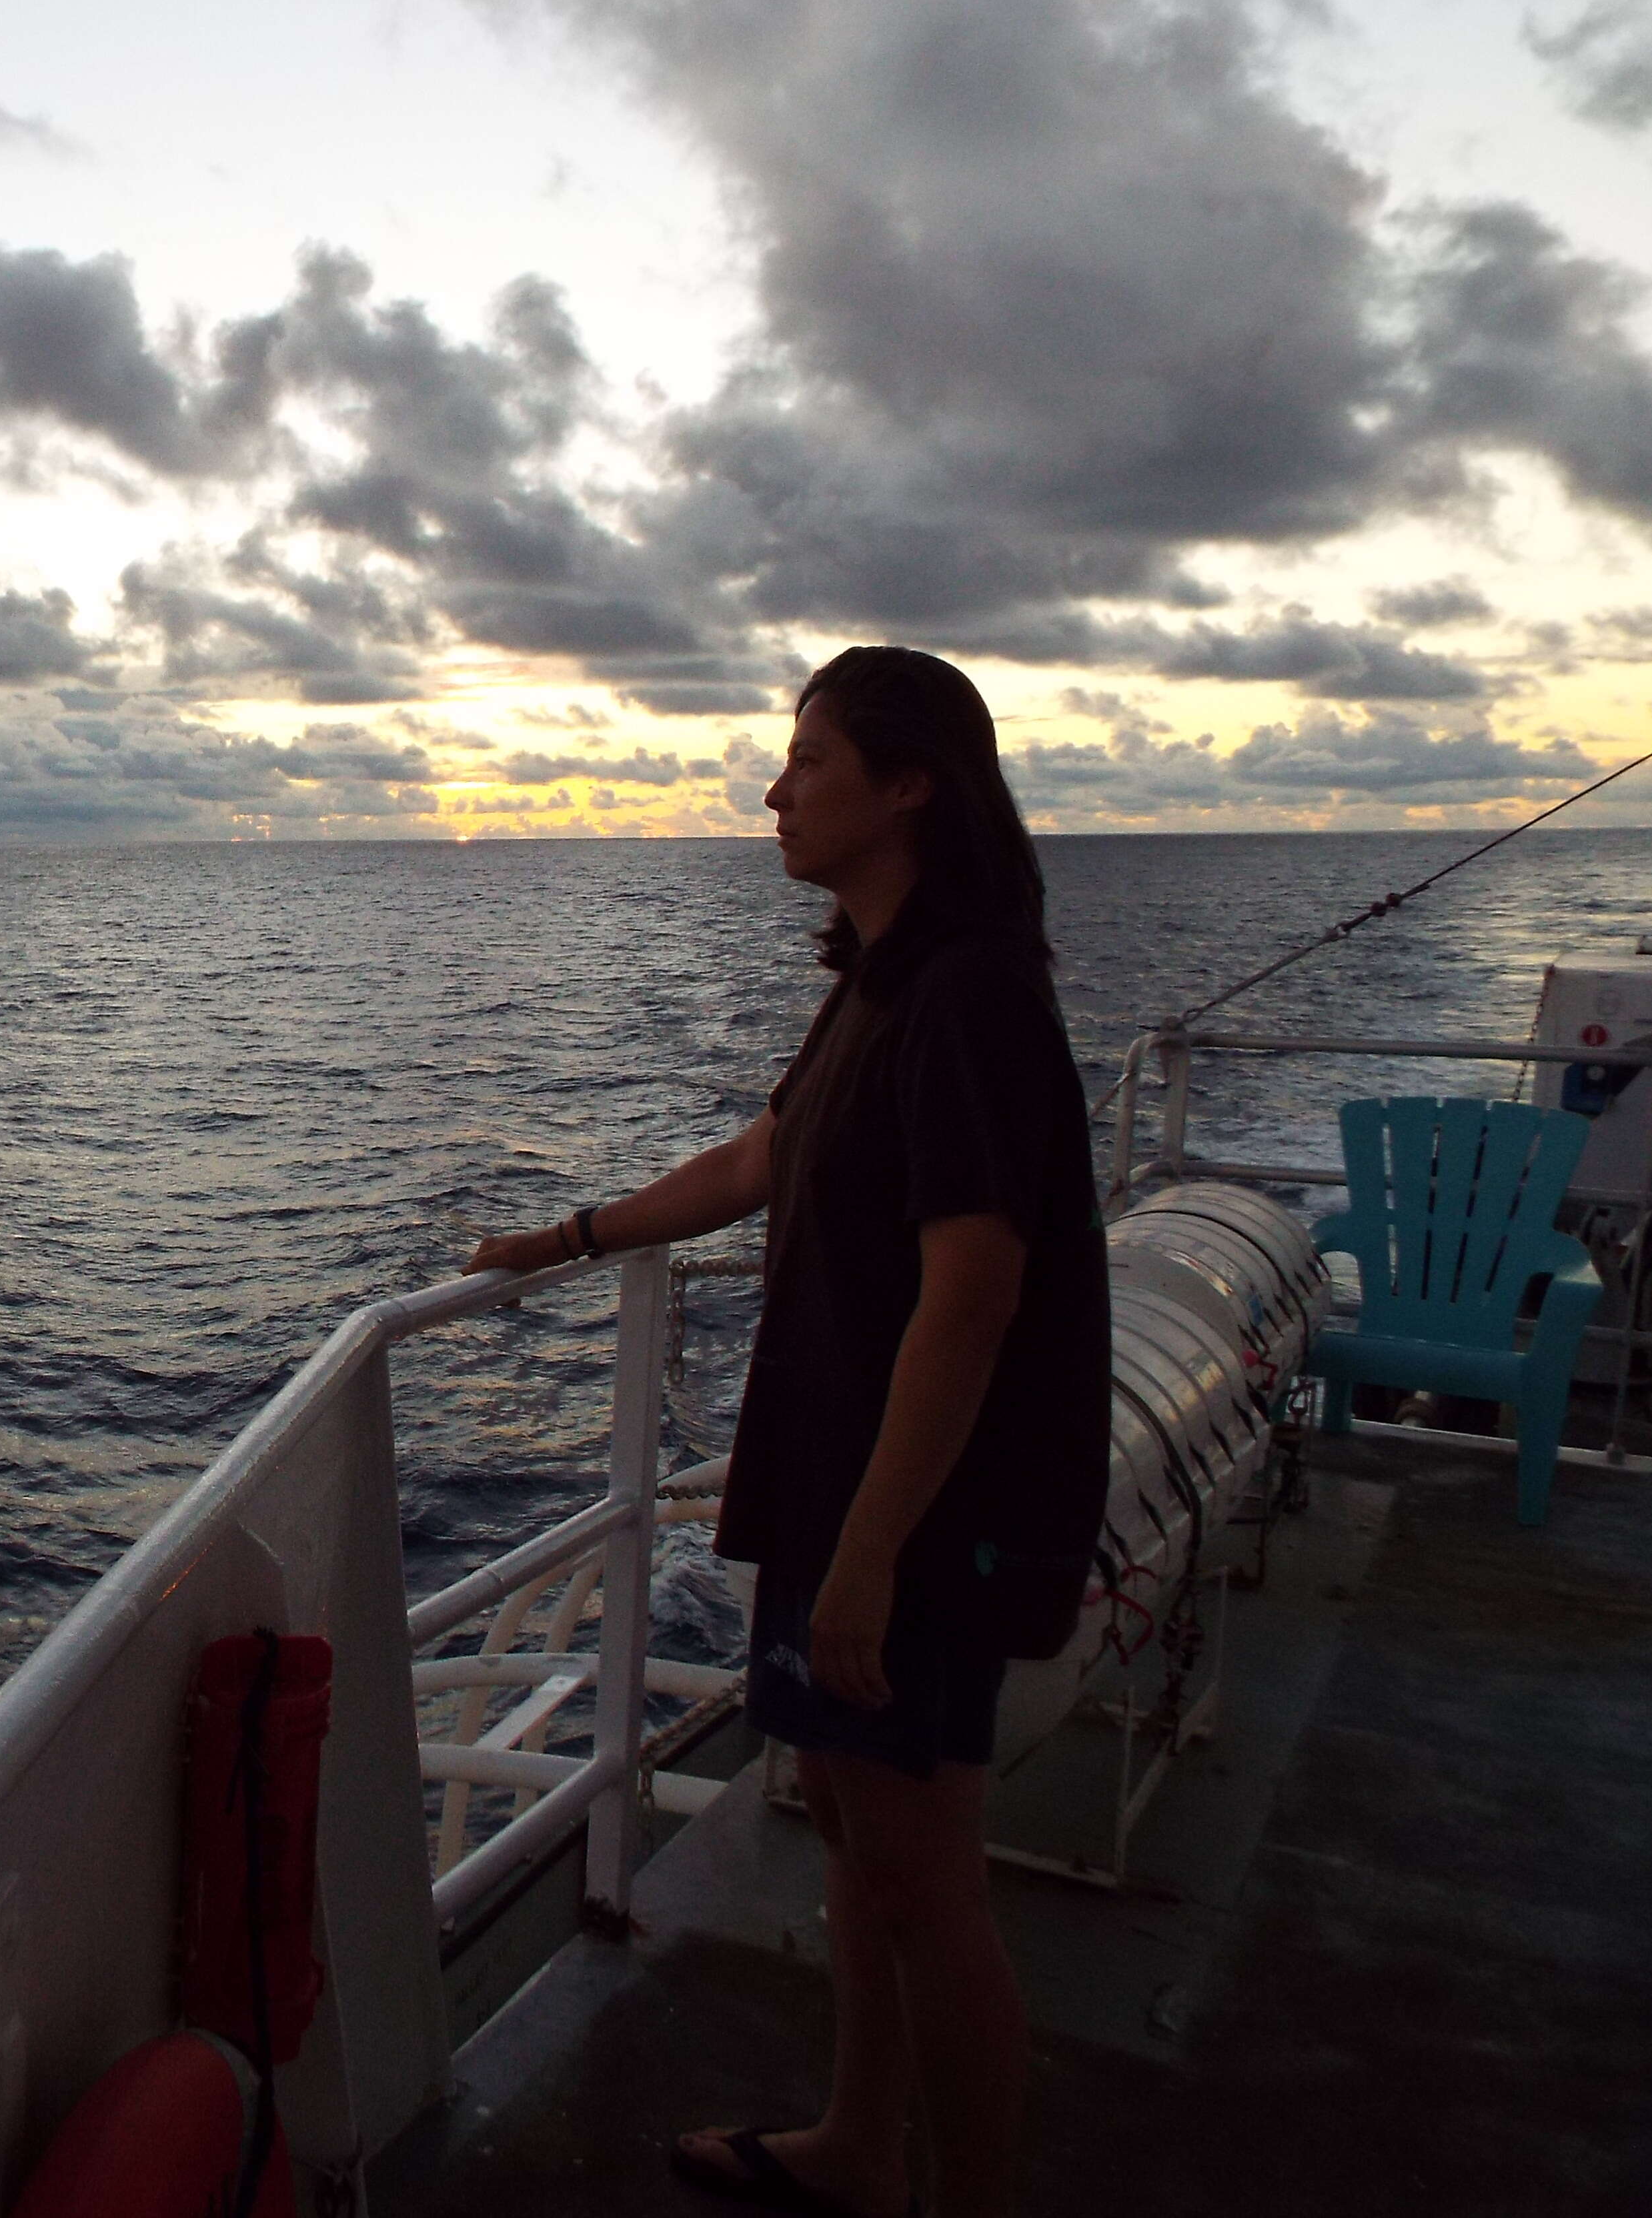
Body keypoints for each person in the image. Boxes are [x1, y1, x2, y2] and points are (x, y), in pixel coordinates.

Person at [464, 646, 1108, 2218]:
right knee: (851, 1828)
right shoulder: (881, 986)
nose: (774, 788)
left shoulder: (966, 1000)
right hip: (846, 1482)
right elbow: (763, 1156)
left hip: (918, 1512)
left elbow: (971, 1296)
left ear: (909, 788)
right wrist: (571, 1237)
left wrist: (872, 1558)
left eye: (809, 760)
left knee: (923, 1879)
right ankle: (861, 2148)